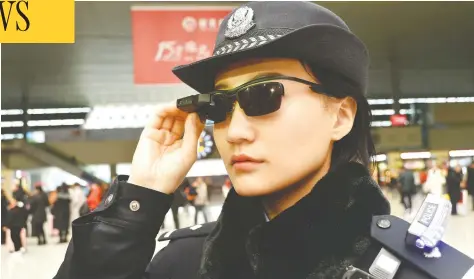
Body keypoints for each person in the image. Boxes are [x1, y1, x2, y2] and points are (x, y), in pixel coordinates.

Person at [53, 2, 435, 279]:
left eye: (263, 96)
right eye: (218, 107)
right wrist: (138, 201)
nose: (234, 131)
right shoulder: (183, 261)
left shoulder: (408, 271)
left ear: (341, 116)